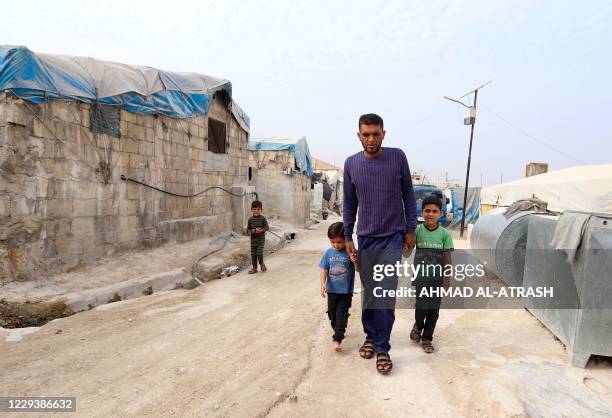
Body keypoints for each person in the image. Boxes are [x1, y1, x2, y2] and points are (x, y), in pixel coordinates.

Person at [343, 113, 417, 374]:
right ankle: (371, 336)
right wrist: (346, 236)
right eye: (366, 134)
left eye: (376, 134)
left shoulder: (397, 157)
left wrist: (411, 228)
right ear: (359, 135)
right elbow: (350, 204)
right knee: (370, 293)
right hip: (366, 238)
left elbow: (408, 194)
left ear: (384, 133)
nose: (371, 139)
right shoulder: (351, 163)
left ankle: (383, 347)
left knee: (385, 293)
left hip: (393, 237)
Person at [410, 194, 454, 353]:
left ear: (440, 214)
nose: (430, 214)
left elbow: (447, 259)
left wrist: (447, 280)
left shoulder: (444, 234)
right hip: (421, 277)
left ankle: (427, 338)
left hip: (437, 279)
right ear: (422, 212)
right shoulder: (417, 231)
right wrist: (406, 237)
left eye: (435, 211)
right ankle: (418, 325)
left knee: (434, 310)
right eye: (427, 210)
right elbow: (407, 253)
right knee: (421, 307)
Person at [319, 222, 356, 352]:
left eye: (340, 242)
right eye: (333, 242)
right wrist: (322, 284)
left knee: (339, 317)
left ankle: (337, 338)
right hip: (332, 291)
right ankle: (341, 325)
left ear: (346, 239)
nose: (336, 245)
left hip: (345, 292)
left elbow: (357, 269)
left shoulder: (350, 252)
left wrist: (354, 260)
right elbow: (324, 268)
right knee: (332, 315)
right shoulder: (329, 253)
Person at [247, 200, 269, 274]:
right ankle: (254, 268)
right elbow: (248, 229)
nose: (256, 211)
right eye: (254, 209)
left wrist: (262, 230)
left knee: (259, 253)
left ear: (261, 210)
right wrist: (252, 231)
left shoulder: (263, 218)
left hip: (261, 239)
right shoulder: (250, 219)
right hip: (253, 240)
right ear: (251, 210)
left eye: (258, 209)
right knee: (253, 254)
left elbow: (267, 227)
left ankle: (262, 264)